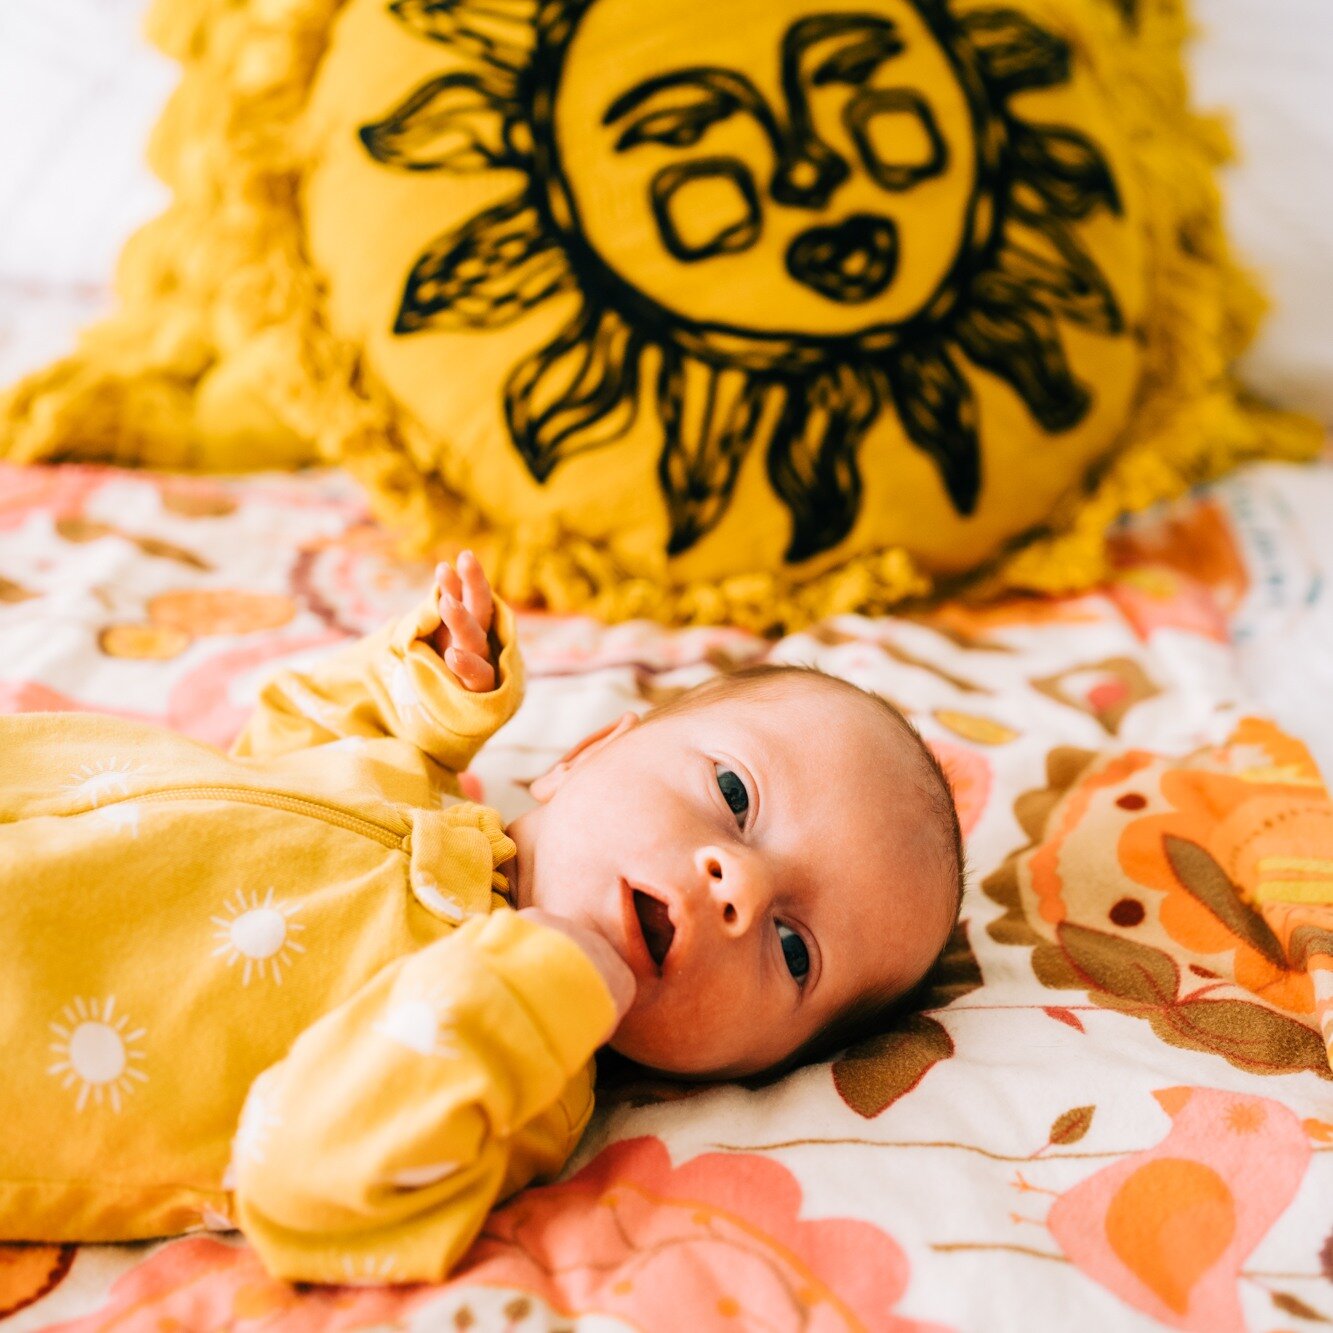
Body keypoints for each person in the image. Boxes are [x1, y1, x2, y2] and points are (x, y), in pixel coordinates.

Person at [0, 550, 963, 1284]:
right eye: (733, 792)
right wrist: (417, 687)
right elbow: (282, 738)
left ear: (758, 1062)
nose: (740, 887)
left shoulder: (518, 1088)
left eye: (795, 950)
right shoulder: (418, 780)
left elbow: (301, 1180)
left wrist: (531, 988)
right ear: (583, 752)